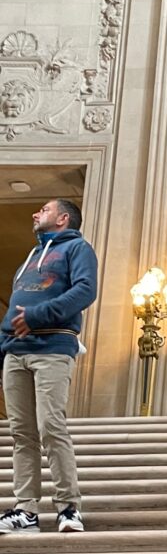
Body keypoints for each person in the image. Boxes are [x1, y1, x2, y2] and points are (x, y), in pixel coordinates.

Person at [0, 198, 97, 535]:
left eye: (44, 210)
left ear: (63, 218)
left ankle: (68, 507)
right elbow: (14, 306)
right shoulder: (29, 258)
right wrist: (3, 349)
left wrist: (39, 316)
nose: (35, 213)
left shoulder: (78, 249)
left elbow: (86, 290)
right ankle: (26, 511)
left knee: (51, 426)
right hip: (17, 353)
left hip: (52, 349)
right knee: (21, 434)